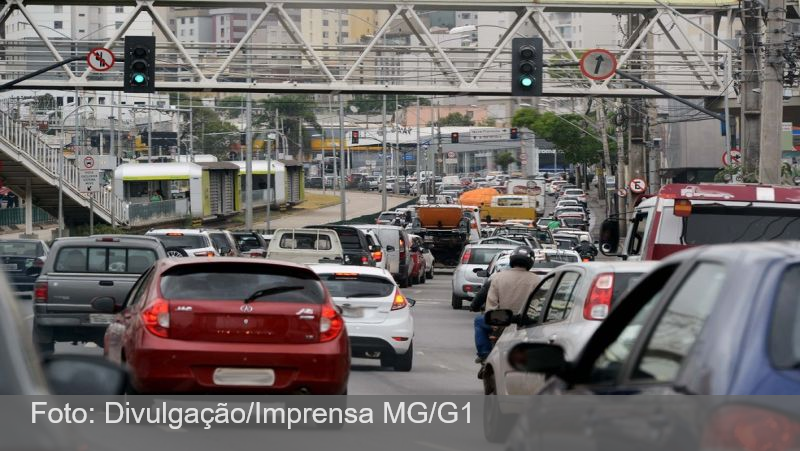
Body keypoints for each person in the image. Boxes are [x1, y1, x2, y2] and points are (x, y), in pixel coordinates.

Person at [473, 246, 541, 363]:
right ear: (530, 262)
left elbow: (491, 305)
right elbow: (539, 305)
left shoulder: (498, 278)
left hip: (502, 320)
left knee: (479, 321)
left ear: (512, 260)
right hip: (525, 322)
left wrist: (495, 325)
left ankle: (484, 354)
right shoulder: (537, 280)